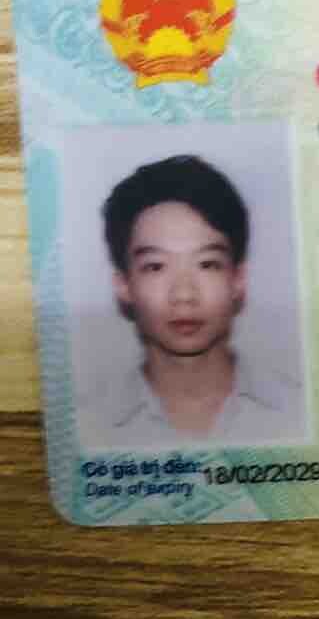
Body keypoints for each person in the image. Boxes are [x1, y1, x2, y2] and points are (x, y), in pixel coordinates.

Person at [92, 154, 300, 449]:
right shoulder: (89, 425)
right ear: (123, 285)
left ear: (237, 280)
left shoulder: (299, 411)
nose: (184, 295)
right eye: (156, 266)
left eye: (207, 264)